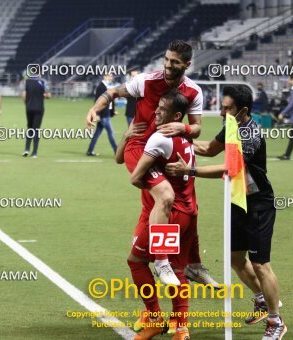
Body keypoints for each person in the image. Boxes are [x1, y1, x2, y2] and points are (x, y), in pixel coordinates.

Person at [165, 85, 286, 340]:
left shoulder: (250, 134)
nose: (222, 111)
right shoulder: (230, 126)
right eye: (222, 105)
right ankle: (262, 300)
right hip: (238, 201)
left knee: (261, 264)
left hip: (258, 204)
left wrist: (189, 171)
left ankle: (276, 322)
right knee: (235, 259)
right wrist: (177, 138)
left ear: (242, 110)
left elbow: (230, 169)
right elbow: (209, 148)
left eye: (227, 107)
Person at [85, 40, 204, 285]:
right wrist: (95, 108)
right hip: (140, 149)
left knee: (185, 207)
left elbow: (197, 128)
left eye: (175, 62)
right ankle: (162, 262)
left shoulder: (194, 91)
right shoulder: (147, 81)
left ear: (187, 64)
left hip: (167, 152)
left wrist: (183, 127)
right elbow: (113, 92)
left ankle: (190, 268)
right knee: (167, 196)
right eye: (167, 59)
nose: (169, 65)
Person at [126, 91, 199, 340]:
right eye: (155, 107)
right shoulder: (186, 138)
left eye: (161, 108)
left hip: (169, 213)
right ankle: (180, 326)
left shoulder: (159, 138)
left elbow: (135, 178)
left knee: (137, 260)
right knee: (179, 269)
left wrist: (146, 174)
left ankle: (155, 317)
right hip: (189, 210)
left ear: (175, 116)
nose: (156, 112)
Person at [86, 74, 119, 156]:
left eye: (111, 76)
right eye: (109, 76)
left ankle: (90, 150)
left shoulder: (108, 86)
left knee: (97, 133)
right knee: (110, 132)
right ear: (104, 76)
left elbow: (110, 101)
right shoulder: (100, 87)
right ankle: (116, 151)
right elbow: (97, 102)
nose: (111, 77)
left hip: (106, 113)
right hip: (103, 114)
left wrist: (112, 111)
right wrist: (97, 114)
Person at [23, 77, 51, 157]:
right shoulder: (43, 81)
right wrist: (44, 96)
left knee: (29, 128)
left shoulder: (27, 81)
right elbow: (48, 95)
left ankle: (26, 149)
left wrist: (26, 104)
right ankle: (34, 152)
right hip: (39, 108)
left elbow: (24, 95)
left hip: (29, 108)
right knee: (36, 129)